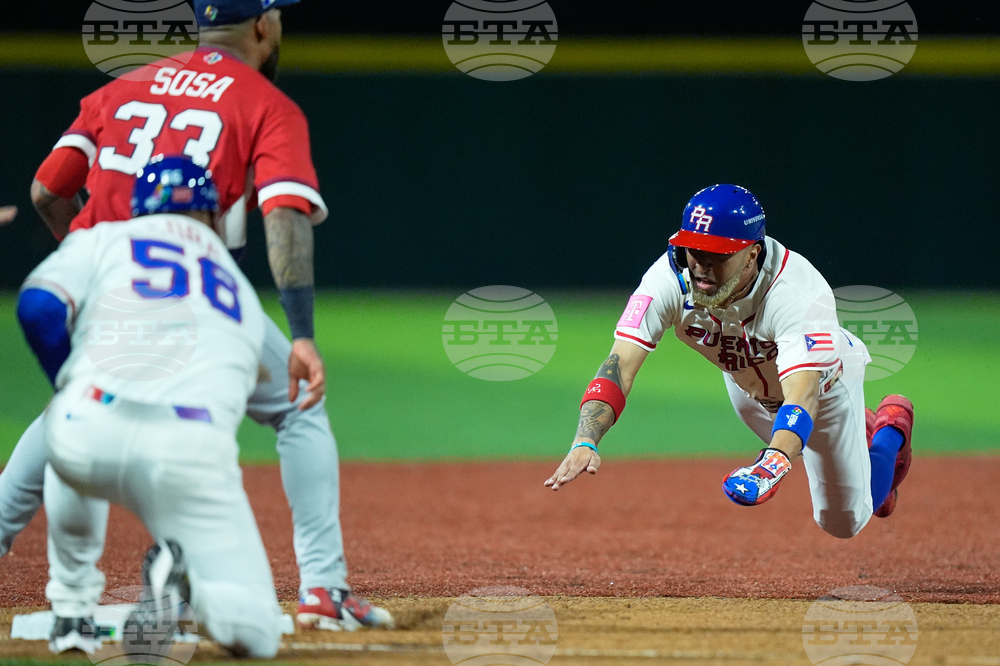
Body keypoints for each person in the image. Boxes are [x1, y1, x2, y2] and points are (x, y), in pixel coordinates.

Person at [1, 0, 392, 634]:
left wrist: (84, 259)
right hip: (190, 286)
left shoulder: (122, 85)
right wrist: (303, 334)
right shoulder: (266, 103)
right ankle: (323, 589)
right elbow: (285, 215)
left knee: (75, 406)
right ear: (263, 25)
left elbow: (47, 190)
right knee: (299, 404)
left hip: (99, 278)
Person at [18, 157, 281, 657]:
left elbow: (38, 308)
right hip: (187, 450)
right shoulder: (239, 292)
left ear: (140, 209)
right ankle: (184, 588)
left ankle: (71, 610)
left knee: (71, 415)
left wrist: (66, 380)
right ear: (211, 215)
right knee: (258, 634)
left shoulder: (104, 239)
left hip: (85, 431)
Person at [544, 184, 914, 539]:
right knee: (802, 447)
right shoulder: (668, 279)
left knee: (842, 520)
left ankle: (890, 428)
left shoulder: (798, 294)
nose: (702, 265)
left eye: (717, 255)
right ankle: (855, 438)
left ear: (752, 253)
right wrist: (585, 440)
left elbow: (802, 398)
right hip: (746, 390)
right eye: (693, 249)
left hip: (823, 389)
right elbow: (619, 365)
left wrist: (772, 464)